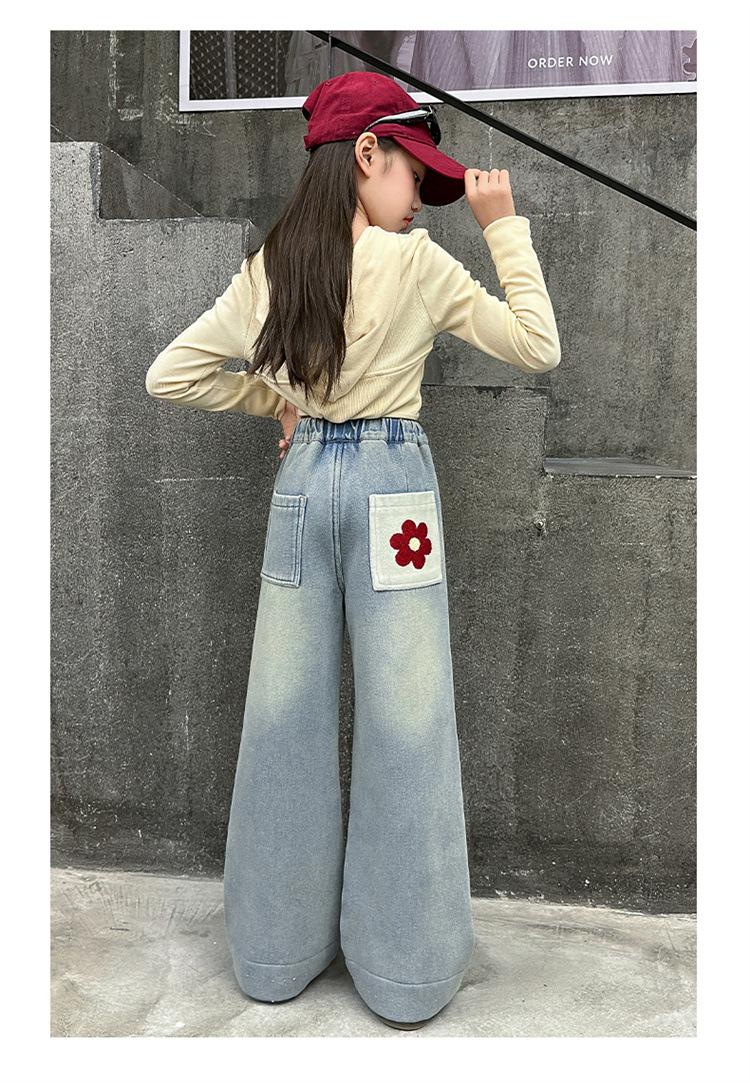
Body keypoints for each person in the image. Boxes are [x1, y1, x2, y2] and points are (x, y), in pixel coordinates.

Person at [145, 71, 560, 1031]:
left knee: (281, 716)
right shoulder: (417, 265)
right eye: (417, 172)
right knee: (408, 722)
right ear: (368, 153)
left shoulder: (274, 264)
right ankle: (406, 969)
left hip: (301, 492)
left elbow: (172, 372)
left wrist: (279, 402)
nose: (423, 198)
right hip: (392, 495)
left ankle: (272, 953)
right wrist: (503, 226)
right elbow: (536, 343)